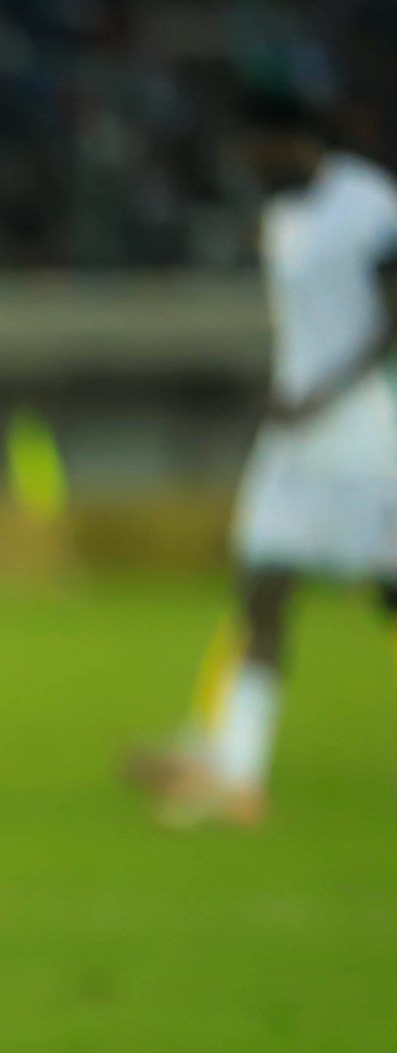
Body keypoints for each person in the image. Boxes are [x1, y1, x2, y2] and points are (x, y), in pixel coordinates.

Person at [132, 92, 397, 827]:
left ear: (293, 139)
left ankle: (225, 755)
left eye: (255, 146)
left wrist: (324, 392)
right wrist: (292, 393)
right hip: (294, 433)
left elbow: (390, 317)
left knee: (385, 592)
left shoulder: (370, 203)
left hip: (360, 432)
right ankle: (234, 766)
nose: (246, 162)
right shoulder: (281, 218)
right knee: (261, 584)